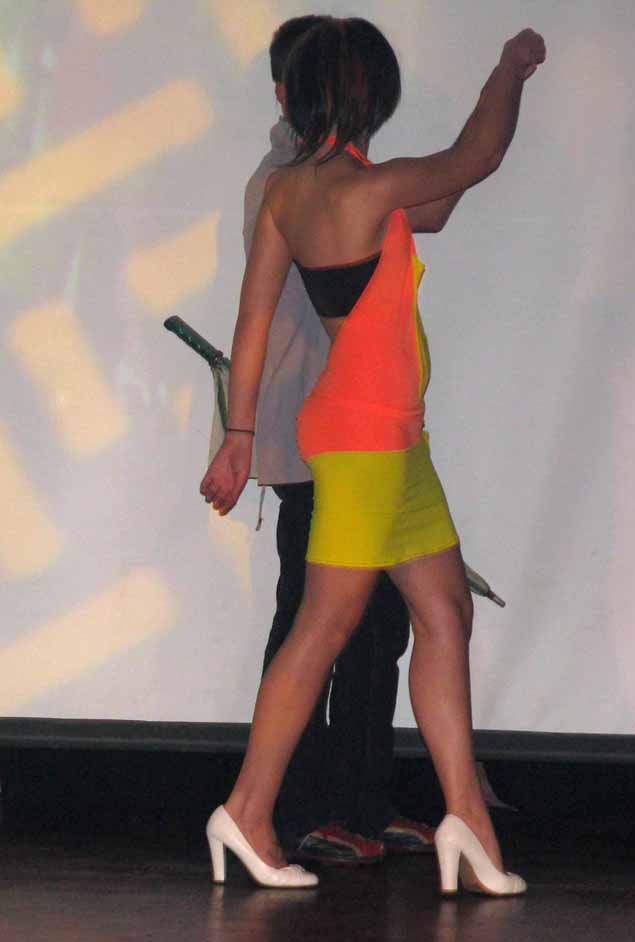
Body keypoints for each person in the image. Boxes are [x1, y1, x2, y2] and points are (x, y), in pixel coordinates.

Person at [201, 17, 546, 891]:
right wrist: (511, 66)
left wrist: (240, 437)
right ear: (366, 95)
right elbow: (478, 155)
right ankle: (246, 809)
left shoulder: (297, 192)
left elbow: (252, 323)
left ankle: (466, 819)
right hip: (364, 441)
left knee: (444, 613)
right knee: (324, 626)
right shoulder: (366, 189)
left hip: (394, 441)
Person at [244, 15, 437, 864]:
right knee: (316, 621)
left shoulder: (336, 174)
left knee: (375, 624)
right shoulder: (291, 183)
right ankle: (291, 810)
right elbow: (283, 322)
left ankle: (358, 803)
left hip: (357, 436)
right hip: (321, 439)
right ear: (293, 90)